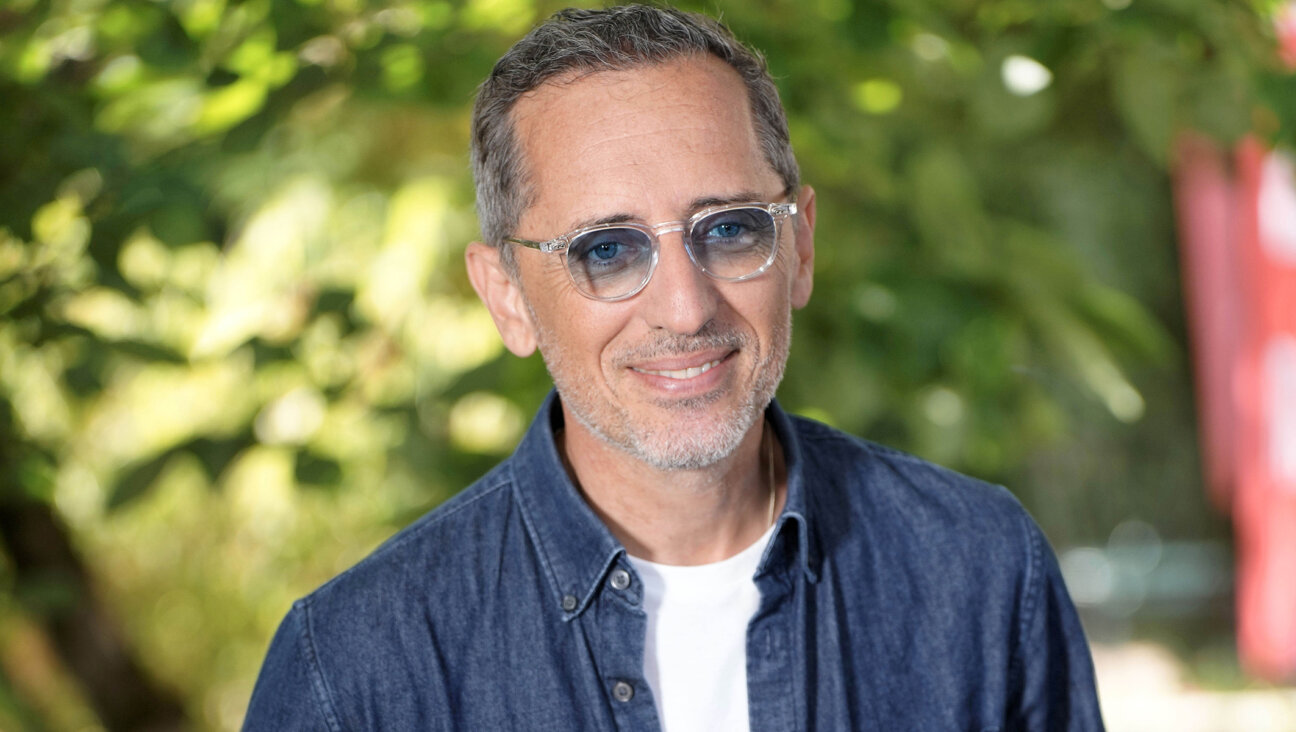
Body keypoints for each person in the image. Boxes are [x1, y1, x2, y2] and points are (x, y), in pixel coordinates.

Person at [243, 5, 1105, 730]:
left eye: (729, 229)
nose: (687, 309)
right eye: (607, 250)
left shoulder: (982, 574)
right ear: (506, 295)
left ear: (799, 246)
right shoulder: (354, 670)